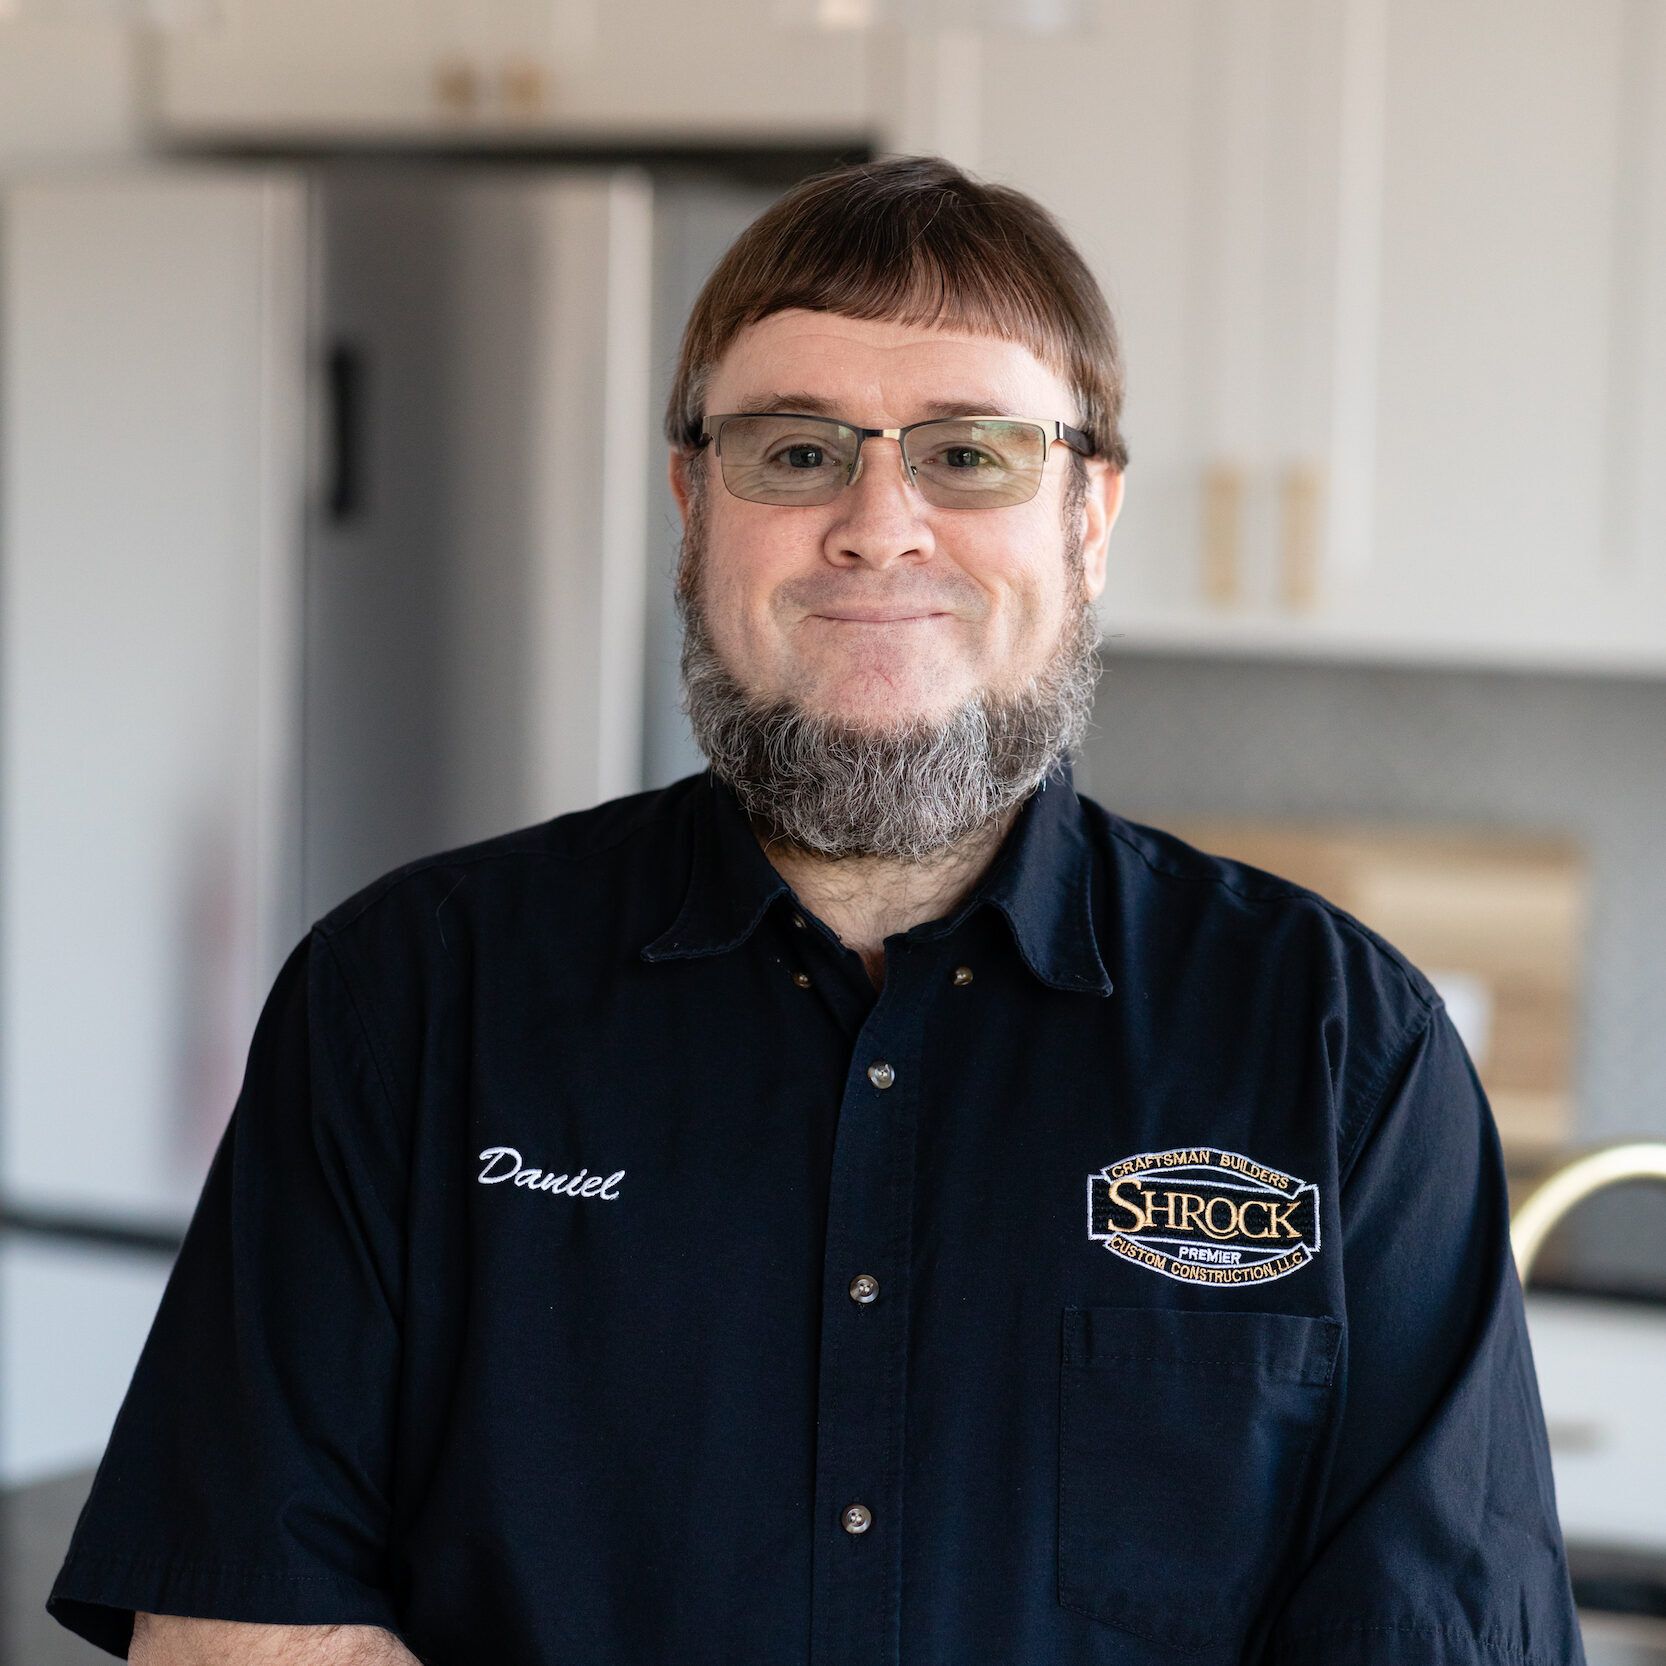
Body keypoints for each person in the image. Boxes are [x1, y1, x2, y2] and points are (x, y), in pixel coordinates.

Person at [49, 154, 1585, 1666]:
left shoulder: (1337, 1050)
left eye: (966, 453)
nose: (877, 524)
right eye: (794, 452)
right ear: (691, 502)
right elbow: (235, 1620)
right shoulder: (403, 996)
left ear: (1089, 514)